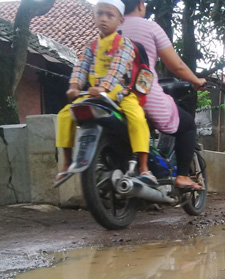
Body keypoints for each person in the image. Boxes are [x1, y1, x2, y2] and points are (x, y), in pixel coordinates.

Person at [55, 0, 155, 186]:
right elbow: (81, 67)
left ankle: (143, 168)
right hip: (95, 94)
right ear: (93, 16)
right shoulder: (91, 46)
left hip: (122, 93)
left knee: (137, 117)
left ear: (120, 20)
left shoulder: (125, 44)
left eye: (110, 15)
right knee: (64, 115)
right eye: (100, 14)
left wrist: (105, 87)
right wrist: (74, 86)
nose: (104, 19)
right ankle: (67, 162)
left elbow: (118, 67)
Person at [120, 0, 206, 190]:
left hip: (111, 93)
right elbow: (176, 66)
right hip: (143, 93)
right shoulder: (150, 27)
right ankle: (182, 175)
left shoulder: (110, 29)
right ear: (141, 5)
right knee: (188, 125)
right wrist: (196, 81)